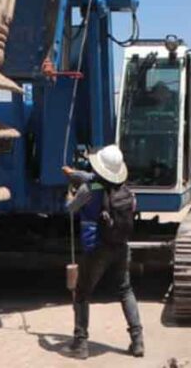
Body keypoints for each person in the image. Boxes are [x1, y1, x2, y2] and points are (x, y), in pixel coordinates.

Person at [63, 145, 144, 359]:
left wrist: (69, 192)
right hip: (121, 245)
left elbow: (70, 209)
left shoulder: (87, 190)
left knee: (82, 293)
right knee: (125, 290)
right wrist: (75, 174)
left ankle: (80, 344)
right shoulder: (125, 189)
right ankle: (138, 341)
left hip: (97, 249)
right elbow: (96, 178)